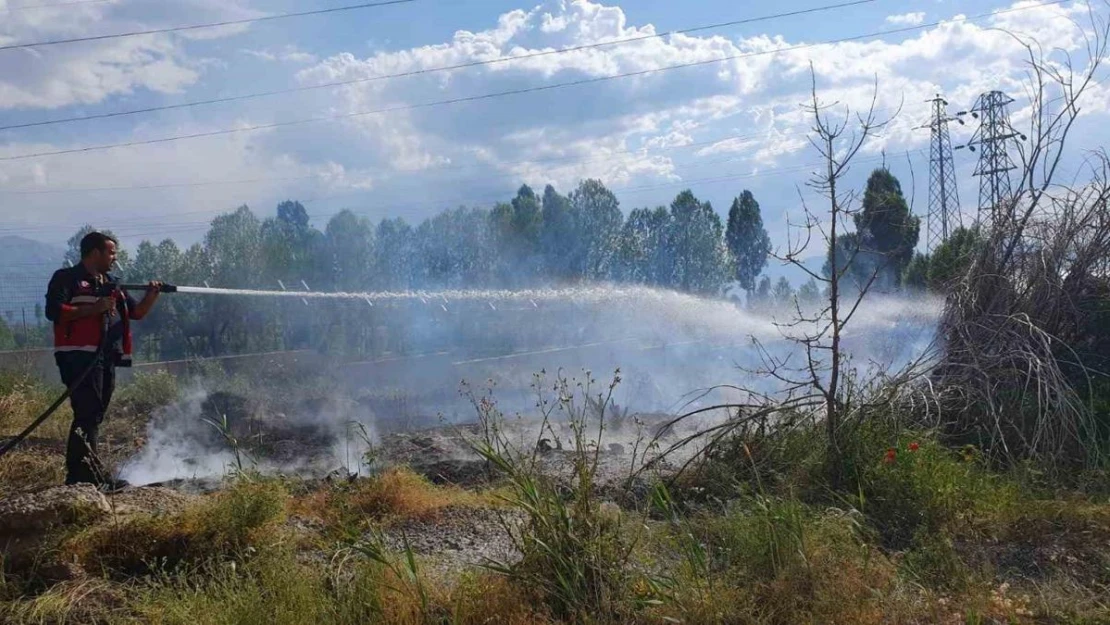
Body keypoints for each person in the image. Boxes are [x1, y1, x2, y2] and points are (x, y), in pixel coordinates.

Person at [44, 232, 163, 489]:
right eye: (111, 252)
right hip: (77, 355)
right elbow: (54, 311)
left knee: (94, 413)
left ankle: (82, 474)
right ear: (94, 253)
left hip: (106, 356)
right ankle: (85, 475)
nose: (115, 258)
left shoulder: (112, 284)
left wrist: (153, 294)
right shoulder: (67, 279)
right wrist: (94, 308)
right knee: (88, 410)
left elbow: (137, 313)